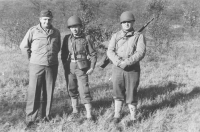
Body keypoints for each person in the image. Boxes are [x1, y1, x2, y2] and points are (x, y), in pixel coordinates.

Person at [20, 9, 61, 128]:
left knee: (49, 92)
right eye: (44, 19)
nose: (47, 21)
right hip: (36, 65)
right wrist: (32, 59)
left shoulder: (56, 32)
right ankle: (31, 118)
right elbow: (23, 46)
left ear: (51, 19)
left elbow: (57, 47)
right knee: (34, 92)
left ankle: (46, 116)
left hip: (52, 65)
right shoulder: (33, 31)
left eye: (49, 19)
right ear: (40, 19)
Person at [107, 11, 146, 124]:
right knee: (117, 92)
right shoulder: (115, 36)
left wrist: (127, 62)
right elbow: (110, 51)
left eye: (129, 22)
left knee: (131, 92)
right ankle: (117, 115)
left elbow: (140, 52)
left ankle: (133, 117)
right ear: (121, 23)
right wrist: (118, 62)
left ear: (133, 22)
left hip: (132, 69)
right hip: (117, 68)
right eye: (124, 22)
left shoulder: (139, 36)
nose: (126, 24)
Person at [61, 15, 97, 121]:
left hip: (82, 67)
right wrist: (65, 65)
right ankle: (75, 110)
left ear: (81, 27)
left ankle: (89, 114)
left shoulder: (87, 38)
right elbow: (63, 54)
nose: (74, 29)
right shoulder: (67, 38)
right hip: (70, 67)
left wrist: (92, 67)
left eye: (76, 26)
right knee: (71, 89)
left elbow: (93, 54)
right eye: (72, 27)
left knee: (84, 90)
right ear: (70, 28)